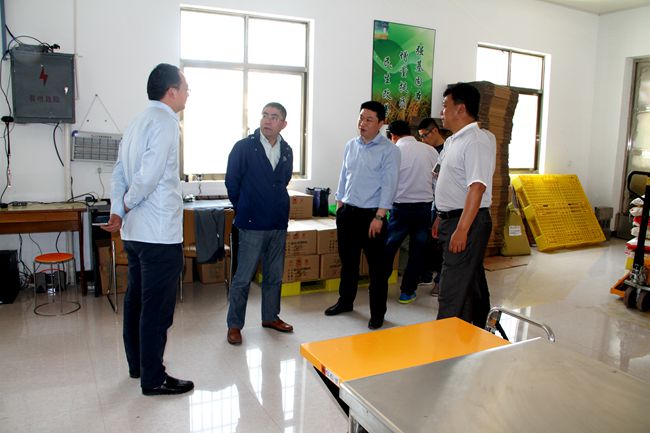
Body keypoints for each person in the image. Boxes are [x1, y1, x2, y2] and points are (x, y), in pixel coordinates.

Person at [102, 63, 193, 396]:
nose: (188, 94)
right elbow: (148, 177)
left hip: (134, 234)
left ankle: (138, 366)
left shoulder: (136, 122)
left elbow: (118, 173)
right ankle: (153, 379)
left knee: (136, 302)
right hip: (158, 234)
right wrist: (125, 206)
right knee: (156, 310)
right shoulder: (166, 122)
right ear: (171, 91)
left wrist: (118, 209)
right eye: (185, 88)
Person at [324, 101, 400, 329]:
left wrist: (380, 216)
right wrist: (339, 202)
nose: (362, 123)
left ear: (381, 123)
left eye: (369, 119)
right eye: (361, 118)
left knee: (377, 269)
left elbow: (390, 185)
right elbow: (343, 175)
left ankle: (377, 313)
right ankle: (345, 302)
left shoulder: (389, 150)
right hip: (348, 213)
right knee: (348, 263)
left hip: (372, 217)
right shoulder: (351, 145)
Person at [225, 102, 294, 346]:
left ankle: (270, 317)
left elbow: (283, 180)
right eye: (265, 115)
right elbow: (232, 182)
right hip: (251, 223)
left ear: (283, 124)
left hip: (277, 222)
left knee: (274, 275)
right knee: (243, 278)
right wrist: (244, 206)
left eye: (274, 117)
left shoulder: (287, 150)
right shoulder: (244, 147)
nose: (267, 120)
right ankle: (234, 325)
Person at [432, 83, 496, 327]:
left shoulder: (476, 141)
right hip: (453, 218)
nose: (441, 111)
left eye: (445, 106)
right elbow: (449, 181)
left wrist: (462, 229)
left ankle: (445, 339)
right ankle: (481, 328)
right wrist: (441, 215)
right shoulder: (453, 141)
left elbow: (477, 187)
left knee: (452, 288)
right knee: (470, 281)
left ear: (460, 108)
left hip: (467, 221)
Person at [383, 120, 437, 304]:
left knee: (389, 248)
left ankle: (379, 285)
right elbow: (437, 180)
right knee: (418, 250)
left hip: (400, 208)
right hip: (424, 208)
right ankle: (407, 292)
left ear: (393, 136)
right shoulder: (430, 150)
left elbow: (386, 181)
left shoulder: (393, 151)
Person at [417, 117, 447, 296]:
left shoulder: (447, 150)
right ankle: (426, 275)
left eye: (425, 135)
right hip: (427, 202)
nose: (423, 140)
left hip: (443, 205)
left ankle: (440, 281)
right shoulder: (425, 151)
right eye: (420, 137)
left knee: (441, 245)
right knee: (426, 242)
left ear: (435, 131)